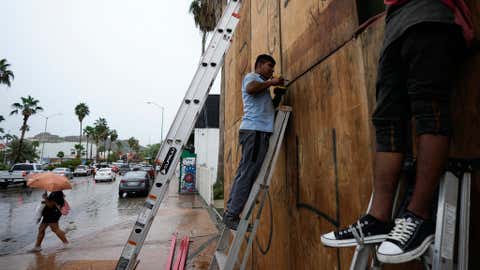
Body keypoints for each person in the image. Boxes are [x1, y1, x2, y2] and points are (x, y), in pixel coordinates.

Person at [321, 0, 473, 264]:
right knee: (386, 120)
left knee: (429, 108)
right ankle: (378, 219)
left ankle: (419, 215)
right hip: (395, 22)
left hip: (429, 12)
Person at [223, 54, 286, 230]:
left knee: (245, 173)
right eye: (269, 66)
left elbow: (268, 110)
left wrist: (278, 96)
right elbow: (251, 88)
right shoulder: (252, 77)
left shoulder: (262, 87)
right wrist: (272, 83)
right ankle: (232, 215)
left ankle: (231, 212)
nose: (272, 70)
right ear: (259, 65)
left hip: (257, 132)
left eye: (273, 68)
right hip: (255, 132)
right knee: (248, 174)